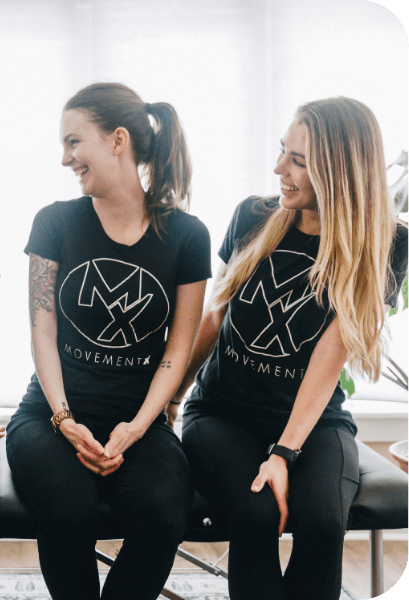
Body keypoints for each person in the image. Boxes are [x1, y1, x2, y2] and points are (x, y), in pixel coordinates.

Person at [171, 97, 409, 600]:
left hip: (313, 419)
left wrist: (283, 451)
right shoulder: (254, 216)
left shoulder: (385, 243)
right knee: (257, 514)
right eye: (283, 151)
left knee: (323, 524)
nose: (279, 168)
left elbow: (332, 355)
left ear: (340, 172)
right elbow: (215, 315)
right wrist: (169, 400)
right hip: (222, 413)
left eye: (298, 160)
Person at [5, 83, 211, 600]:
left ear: (117, 140)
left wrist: (139, 428)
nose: (65, 158)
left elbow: (177, 350)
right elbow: (42, 332)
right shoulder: (53, 222)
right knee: (68, 509)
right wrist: (64, 420)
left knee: (165, 515)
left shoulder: (188, 236)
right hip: (50, 417)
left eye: (74, 142)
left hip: (138, 421)